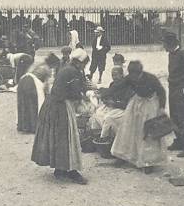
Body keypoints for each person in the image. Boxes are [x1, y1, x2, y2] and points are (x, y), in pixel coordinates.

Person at [31, 48, 89, 185]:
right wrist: (85, 95)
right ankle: (70, 170)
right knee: (67, 138)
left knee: (57, 138)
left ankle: (60, 169)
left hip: (52, 104)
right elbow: (75, 93)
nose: (84, 67)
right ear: (79, 62)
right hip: (60, 106)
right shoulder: (73, 71)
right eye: (84, 64)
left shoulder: (67, 68)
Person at [111, 61, 168, 174]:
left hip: (150, 103)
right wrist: (104, 92)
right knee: (128, 129)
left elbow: (162, 92)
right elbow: (118, 86)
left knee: (147, 133)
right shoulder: (130, 77)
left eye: (135, 75)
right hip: (137, 102)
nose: (133, 78)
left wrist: (161, 107)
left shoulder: (151, 78)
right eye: (131, 75)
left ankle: (148, 162)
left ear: (140, 72)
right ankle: (124, 156)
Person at [163, 32, 184, 158]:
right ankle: (179, 140)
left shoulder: (183, 54)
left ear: (170, 44)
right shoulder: (171, 54)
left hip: (181, 89)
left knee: (183, 117)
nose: (163, 47)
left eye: (164, 44)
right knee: (174, 115)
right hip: (172, 88)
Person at [89, 66, 134, 141]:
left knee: (108, 118)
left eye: (116, 75)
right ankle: (97, 135)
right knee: (97, 113)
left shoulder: (127, 86)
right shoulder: (113, 84)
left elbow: (126, 104)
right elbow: (109, 95)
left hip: (122, 109)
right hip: (112, 107)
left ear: (121, 75)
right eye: (112, 75)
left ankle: (105, 138)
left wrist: (114, 103)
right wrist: (105, 99)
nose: (114, 77)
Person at [17, 63, 53, 133]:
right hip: (33, 82)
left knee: (23, 104)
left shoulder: (39, 65)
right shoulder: (48, 70)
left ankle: (23, 125)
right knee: (35, 105)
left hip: (23, 80)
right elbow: (46, 86)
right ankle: (34, 126)